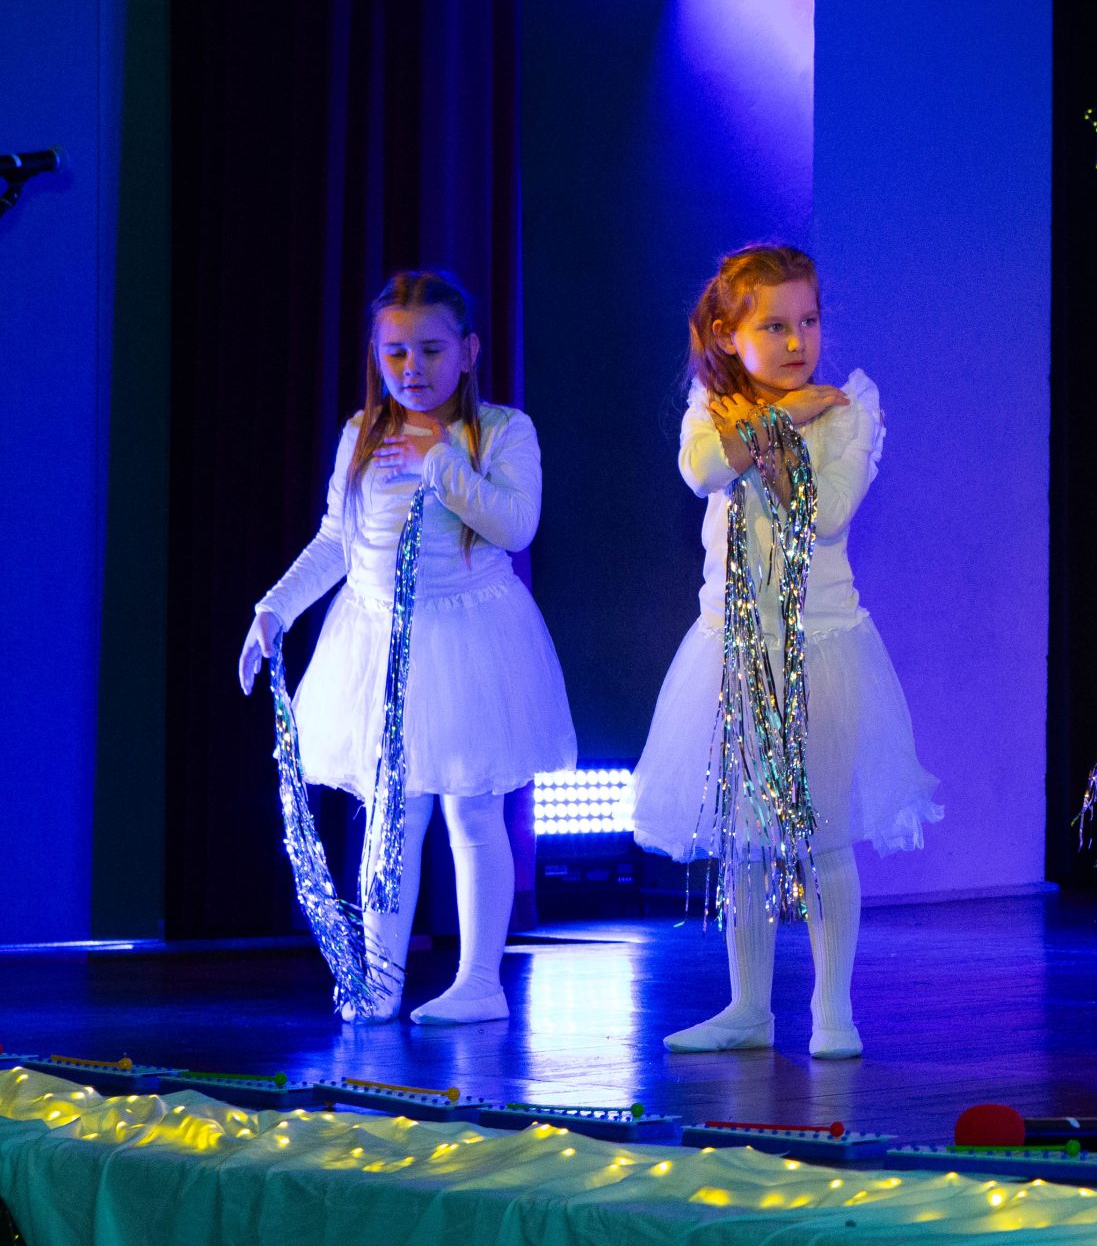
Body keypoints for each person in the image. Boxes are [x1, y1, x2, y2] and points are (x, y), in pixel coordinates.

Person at [628, 245, 941, 1060]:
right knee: (745, 837)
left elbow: (828, 513)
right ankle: (747, 1007)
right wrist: (781, 416)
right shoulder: (714, 407)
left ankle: (833, 1009)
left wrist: (787, 427)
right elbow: (704, 469)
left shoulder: (848, 409)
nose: (798, 340)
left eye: (809, 320)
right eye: (774, 325)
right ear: (728, 335)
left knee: (822, 830)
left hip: (821, 646)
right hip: (731, 649)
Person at [240, 272, 575, 1024]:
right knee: (391, 815)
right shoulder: (362, 433)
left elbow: (516, 526)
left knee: (473, 811)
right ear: (375, 353)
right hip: (377, 639)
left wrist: (441, 463)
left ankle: (480, 981)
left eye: (430, 349)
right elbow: (337, 539)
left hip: (470, 636)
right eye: (395, 352)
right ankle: (381, 979)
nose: (412, 367)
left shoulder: (503, 431)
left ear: (468, 351)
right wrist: (275, 607)